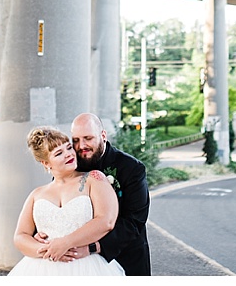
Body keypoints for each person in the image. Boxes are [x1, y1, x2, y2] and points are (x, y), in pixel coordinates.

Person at [8, 126, 126, 276]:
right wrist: (48, 251)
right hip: (40, 269)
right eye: (59, 153)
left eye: (69, 147)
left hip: (87, 268)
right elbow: (20, 236)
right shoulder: (37, 194)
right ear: (46, 163)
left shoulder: (94, 179)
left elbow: (106, 221)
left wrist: (65, 243)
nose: (68, 154)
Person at [70, 112, 151, 276]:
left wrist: (93, 248)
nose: (81, 145)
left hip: (125, 259)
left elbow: (134, 221)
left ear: (103, 136)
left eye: (88, 138)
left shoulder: (132, 168)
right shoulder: (69, 167)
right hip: (79, 264)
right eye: (76, 140)